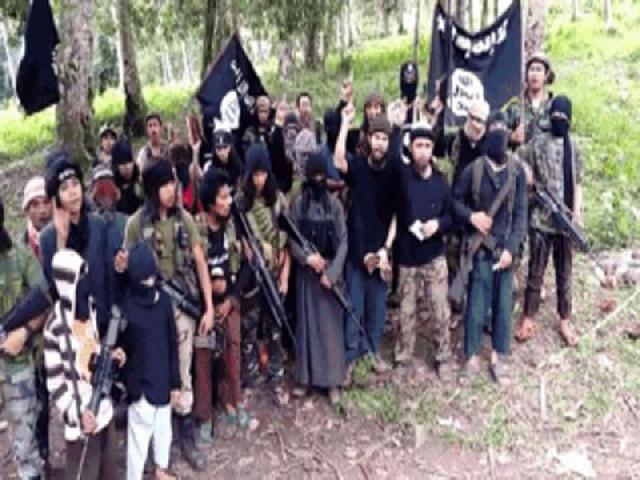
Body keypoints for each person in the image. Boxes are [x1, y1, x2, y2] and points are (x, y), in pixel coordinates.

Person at [120, 158, 214, 471]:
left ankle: (184, 431)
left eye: (173, 182)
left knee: (182, 367)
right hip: (147, 310)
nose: (172, 190)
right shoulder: (136, 224)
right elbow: (127, 265)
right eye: (164, 184)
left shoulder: (184, 219)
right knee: (150, 368)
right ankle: (155, 443)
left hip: (181, 306)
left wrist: (208, 307)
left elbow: (200, 262)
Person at [452, 115, 527, 385]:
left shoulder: (517, 171)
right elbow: (455, 201)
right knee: (476, 302)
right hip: (480, 248)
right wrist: (472, 217)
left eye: (503, 129)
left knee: (503, 304)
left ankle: (499, 356)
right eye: (493, 128)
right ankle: (471, 356)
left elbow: (521, 215)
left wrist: (511, 249)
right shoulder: (474, 170)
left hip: (504, 249)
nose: (498, 133)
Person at [44, 248, 125, 480]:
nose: (85, 283)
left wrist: (112, 357)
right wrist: (77, 415)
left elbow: (94, 350)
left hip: (104, 413)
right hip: (81, 425)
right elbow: (56, 385)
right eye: (79, 278)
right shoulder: (55, 328)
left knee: (109, 472)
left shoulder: (90, 309)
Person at [334, 104, 401, 379]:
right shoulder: (359, 167)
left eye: (385, 138)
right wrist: (344, 123)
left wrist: (386, 250)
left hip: (381, 253)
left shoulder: (394, 172)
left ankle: (372, 353)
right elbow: (339, 161)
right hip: (356, 253)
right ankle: (350, 358)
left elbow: (397, 215)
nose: (380, 143)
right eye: (376, 137)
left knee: (377, 310)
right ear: (369, 139)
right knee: (353, 307)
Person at [516, 96, 583, 347]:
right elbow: (518, 158)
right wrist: (528, 174)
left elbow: (577, 182)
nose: (559, 120)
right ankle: (528, 317)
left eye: (564, 117)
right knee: (536, 271)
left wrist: (576, 213)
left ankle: (565, 319)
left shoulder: (573, 147)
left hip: (564, 222)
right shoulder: (538, 143)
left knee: (564, 273)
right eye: (556, 116)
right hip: (541, 220)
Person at [194, 167, 253, 441]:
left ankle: (235, 400)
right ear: (210, 201)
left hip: (229, 300)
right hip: (202, 305)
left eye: (229, 196)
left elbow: (247, 266)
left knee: (234, 349)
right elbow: (188, 271)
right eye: (222, 197)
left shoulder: (233, 225)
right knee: (203, 356)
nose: (228, 202)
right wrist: (208, 299)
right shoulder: (196, 228)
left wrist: (231, 298)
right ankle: (205, 416)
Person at [392, 124, 454, 380]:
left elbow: (451, 216)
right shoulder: (402, 177)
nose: (423, 151)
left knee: (440, 309)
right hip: (407, 256)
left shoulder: (440, 181)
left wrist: (437, 225)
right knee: (406, 312)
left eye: (428, 146)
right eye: (419, 145)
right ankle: (403, 358)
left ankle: (443, 357)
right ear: (411, 147)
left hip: (434, 254)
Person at [288, 150, 348, 404]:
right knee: (306, 330)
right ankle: (305, 379)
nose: (318, 180)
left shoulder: (335, 206)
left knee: (330, 331)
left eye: (322, 175)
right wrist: (306, 258)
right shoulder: (298, 204)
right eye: (314, 175)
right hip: (306, 275)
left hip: (329, 274)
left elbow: (343, 242)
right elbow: (291, 238)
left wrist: (332, 273)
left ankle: (332, 381)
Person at [236, 144, 291, 406]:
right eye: (255, 175)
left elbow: (288, 240)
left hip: (274, 273)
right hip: (251, 277)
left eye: (263, 174)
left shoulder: (277, 200)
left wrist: (285, 276)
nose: (259, 180)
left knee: (275, 328)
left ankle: (276, 378)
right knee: (249, 329)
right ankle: (250, 379)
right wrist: (243, 246)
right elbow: (234, 236)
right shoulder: (240, 203)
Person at [120, 242, 179, 480]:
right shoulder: (127, 309)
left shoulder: (163, 302)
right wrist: (131, 387)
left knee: (164, 431)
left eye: (151, 278)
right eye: (144, 279)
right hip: (140, 390)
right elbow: (124, 351)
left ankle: (161, 470)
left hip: (162, 384)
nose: (148, 283)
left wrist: (175, 384)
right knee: (137, 443)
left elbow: (172, 343)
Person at [0, 196, 49, 480]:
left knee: (26, 442)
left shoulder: (20, 258)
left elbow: (44, 300)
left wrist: (25, 332)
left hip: (16, 365)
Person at [40, 152, 113, 335]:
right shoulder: (47, 238)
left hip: (104, 322)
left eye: (75, 184)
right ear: (56, 198)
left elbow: (109, 278)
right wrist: (61, 240)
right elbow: (56, 291)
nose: (73, 192)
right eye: (64, 188)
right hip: (73, 331)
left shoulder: (98, 224)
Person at [90, 164, 128, 307]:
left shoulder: (125, 222)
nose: (105, 194)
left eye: (108, 186)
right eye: (101, 189)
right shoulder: (88, 226)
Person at [243, 96, 292, 193]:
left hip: (275, 171)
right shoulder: (250, 131)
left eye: (265, 112)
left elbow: (283, 153)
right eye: (261, 111)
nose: (263, 115)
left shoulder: (275, 128)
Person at [507, 51, 556, 146]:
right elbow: (500, 131)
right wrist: (512, 136)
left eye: (539, 70)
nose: (535, 74)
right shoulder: (516, 107)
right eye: (532, 70)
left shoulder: (554, 107)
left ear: (546, 75)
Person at [22, 176, 52, 261]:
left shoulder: (68, 238)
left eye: (46, 202)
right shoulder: (21, 249)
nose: (42, 210)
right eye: (35, 205)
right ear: (27, 210)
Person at [112, 138, 144, 216]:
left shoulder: (141, 179)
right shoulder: (113, 186)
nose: (127, 167)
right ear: (116, 166)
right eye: (123, 163)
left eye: (129, 162)